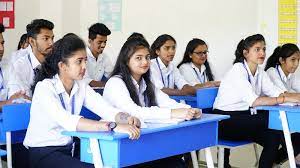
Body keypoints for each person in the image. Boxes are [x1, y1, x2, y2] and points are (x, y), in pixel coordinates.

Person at [24, 34, 140, 168]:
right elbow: (67, 120)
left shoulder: (81, 85)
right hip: (44, 152)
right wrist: (113, 125)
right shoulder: (44, 88)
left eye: (85, 60)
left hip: (70, 149)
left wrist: (127, 118)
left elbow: (105, 108)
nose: (84, 66)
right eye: (79, 61)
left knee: (113, 163)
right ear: (62, 66)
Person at [103, 37, 201, 168]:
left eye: (147, 57)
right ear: (126, 60)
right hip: (118, 145)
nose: (145, 62)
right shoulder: (116, 82)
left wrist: (189, 110)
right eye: (139, 58)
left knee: (175, 159)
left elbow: (166, 101)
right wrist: (173, 113)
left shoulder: (146, 82)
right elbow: (134, 112)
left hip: (139, 141)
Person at [213, 34, 300, 168]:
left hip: (246, 119)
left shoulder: (260, 72)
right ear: (246, 53)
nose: (262, 53)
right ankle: (293, 154)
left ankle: (286, 154)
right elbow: (254, 101)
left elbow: (276, 92)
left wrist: (294, 98)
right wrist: (284, 98)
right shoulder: (238, 70)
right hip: (225, 121)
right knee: (271, 120)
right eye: (257, 49)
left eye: (264, 49)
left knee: (273, 136)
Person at [265, 43, 300, 166]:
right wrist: (294, 97)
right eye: (293, 60)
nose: (296, 64)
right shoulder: (272, 72)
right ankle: (296, 158)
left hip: (283, 114)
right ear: (282, 60)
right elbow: (283, 95)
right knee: (284, 135)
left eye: (298, 60)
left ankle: (277, 160)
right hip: (268, 115)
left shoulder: (291, 75)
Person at [7, 19, 55, 98]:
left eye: (52, 38)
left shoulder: (56, 64)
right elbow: (19, 99)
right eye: (46, 38)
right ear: (32, 41)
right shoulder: (19, 67)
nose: (51, 43)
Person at [84, 23, 113, 87]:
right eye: (99, 42)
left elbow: (112, 75)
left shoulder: (105, 57)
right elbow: (87, 82)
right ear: (90, 41)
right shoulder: (82, 57)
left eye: (105, 42)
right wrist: (109, 85)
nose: (103, 45)